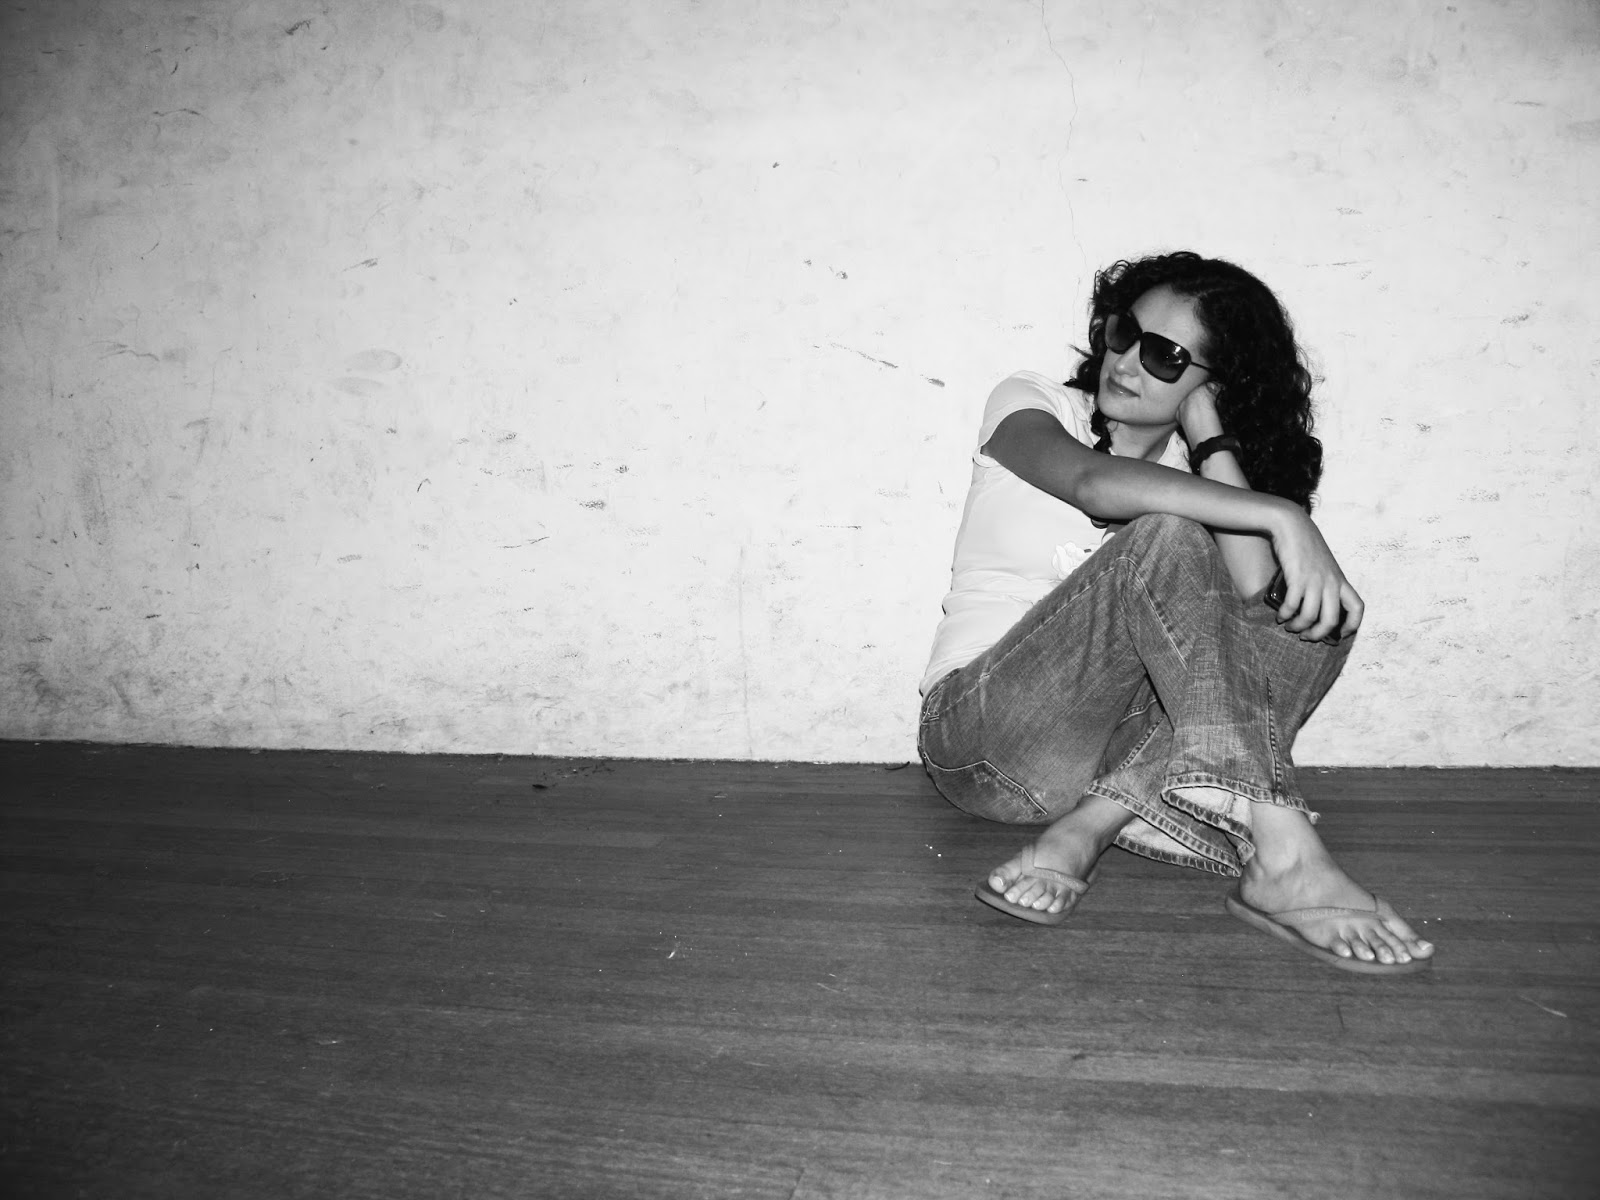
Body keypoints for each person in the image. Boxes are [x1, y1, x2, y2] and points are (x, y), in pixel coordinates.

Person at [917, 250, 1435, 975]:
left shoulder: (1197, 479)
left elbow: (1261, 608)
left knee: (1315, 619)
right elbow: (1093, 483)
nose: (1127, 361)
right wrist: (1283, 515)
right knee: (1165, 532)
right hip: (985, 739)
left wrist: (1209, 435)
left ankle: (1089, 827)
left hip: (1114, 758)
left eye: (1166, 357)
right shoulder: (1036, 404)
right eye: (1125, 333)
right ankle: (1283, 853)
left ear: (1212, 383)